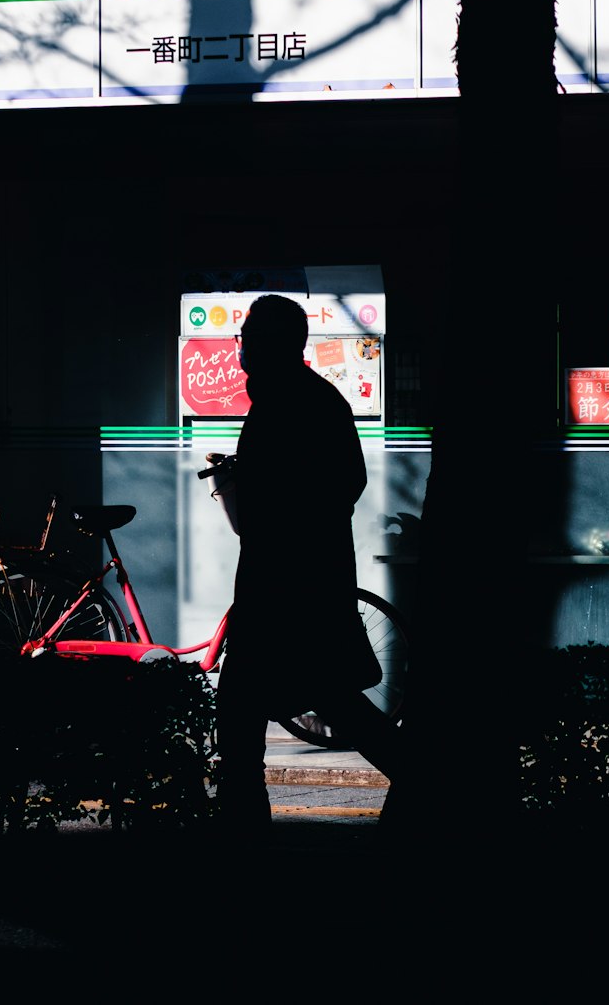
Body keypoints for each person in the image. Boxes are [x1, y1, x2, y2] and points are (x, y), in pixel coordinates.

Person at [207, 293, 405, 830]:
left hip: (283, 585)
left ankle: (244, 824)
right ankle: (416, 782)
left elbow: (281, 499)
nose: (240, 346)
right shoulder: (313, 398)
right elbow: (347, 482)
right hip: (309, 580)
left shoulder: (284, 403)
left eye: (246, 335)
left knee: (246, 704)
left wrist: (250, 485)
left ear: (268, 343)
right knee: (328, 699)